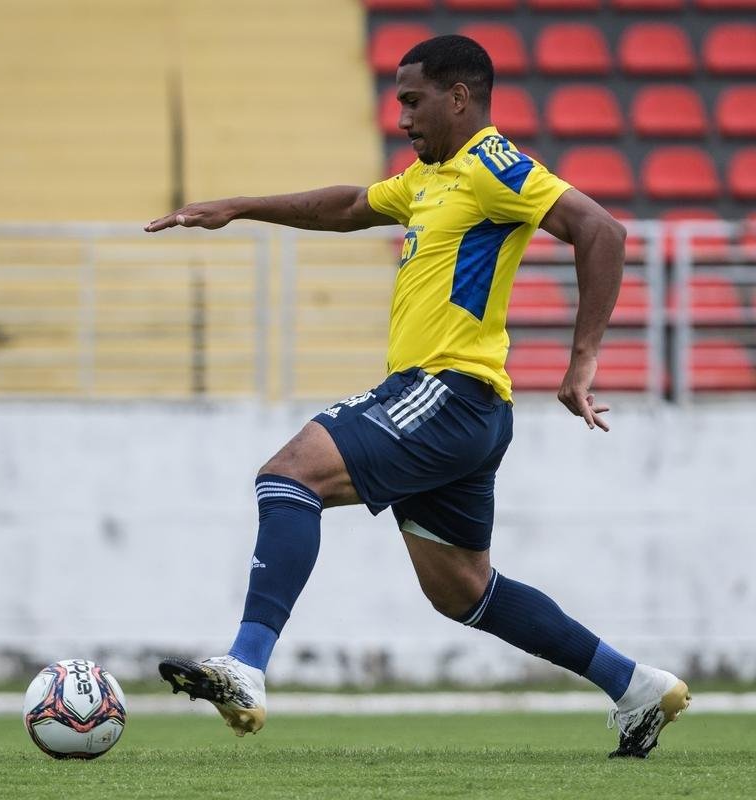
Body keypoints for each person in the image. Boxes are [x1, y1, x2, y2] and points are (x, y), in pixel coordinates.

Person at [145, 35, 689, 758]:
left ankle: (246, 664)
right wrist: (238, 207)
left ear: (458, 97)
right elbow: (346, 206)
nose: (400, 116)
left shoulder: (492, 165)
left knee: (288, 476)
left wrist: (582, 361)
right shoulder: (431, 178)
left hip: (446, 390)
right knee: (462, 590)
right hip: (464, 409)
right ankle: (636, 687)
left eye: (412, 100)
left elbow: (601, 230)